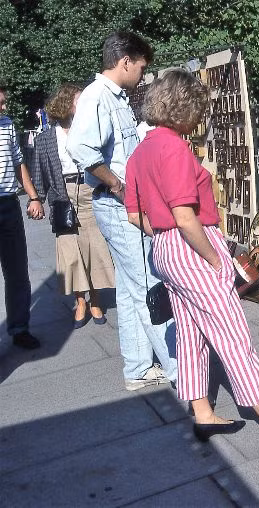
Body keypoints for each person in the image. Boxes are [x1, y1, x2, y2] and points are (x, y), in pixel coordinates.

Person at [125, 69, 259, 446]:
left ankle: (202, 411)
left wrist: (164, 239)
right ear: (182, 107)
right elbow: (185, 216)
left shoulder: (140, 152)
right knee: (233, 333)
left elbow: (135, 216)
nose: (200, 118)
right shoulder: (174, 148)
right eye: (197, 109)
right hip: (193, 246)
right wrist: (214, 258)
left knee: (190, 332)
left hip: (165, 249)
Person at [66, 31, 177, 391]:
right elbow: (82, 148)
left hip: (116, 204)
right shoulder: (98, 95)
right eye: (142, 67)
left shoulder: (111, 96)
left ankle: (138, 368)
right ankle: (179, 370)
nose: (143, 74)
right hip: (117, 204)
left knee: (131, 290)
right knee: (149, 284)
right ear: (125, 61)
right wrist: (118, 185)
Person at [30, 83, 115, 329]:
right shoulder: (46, 138)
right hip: (62, 194)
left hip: (90, 189)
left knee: (94, 247)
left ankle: (96, 299)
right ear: (66, 104)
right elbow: (39, 170)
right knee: (70, 252)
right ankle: (80, 302)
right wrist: (37, 199)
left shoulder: (89, 130)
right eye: (79, 100)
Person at [0, 86, 44, 349]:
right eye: (1, 103)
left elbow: (18, 162)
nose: (5, 107)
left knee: (17, 271)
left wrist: (34, 196)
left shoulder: (6, 124)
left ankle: (19, 327)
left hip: (8, 205)